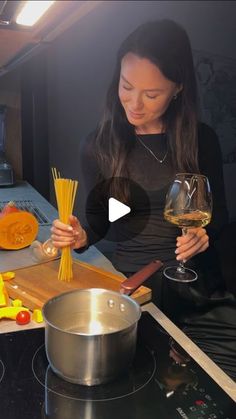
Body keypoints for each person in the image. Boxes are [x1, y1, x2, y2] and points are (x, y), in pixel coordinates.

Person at [51, 19, 236, 379]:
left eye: (151, 95)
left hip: (200, 290)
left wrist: (204, 233)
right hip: (135, 289)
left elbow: (220, 214)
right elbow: (106, 217)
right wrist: (81, 235)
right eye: (126, 86)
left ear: (178, 89)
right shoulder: (99, 144)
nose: (134, 104)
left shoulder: (203, 140)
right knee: (138, 381)